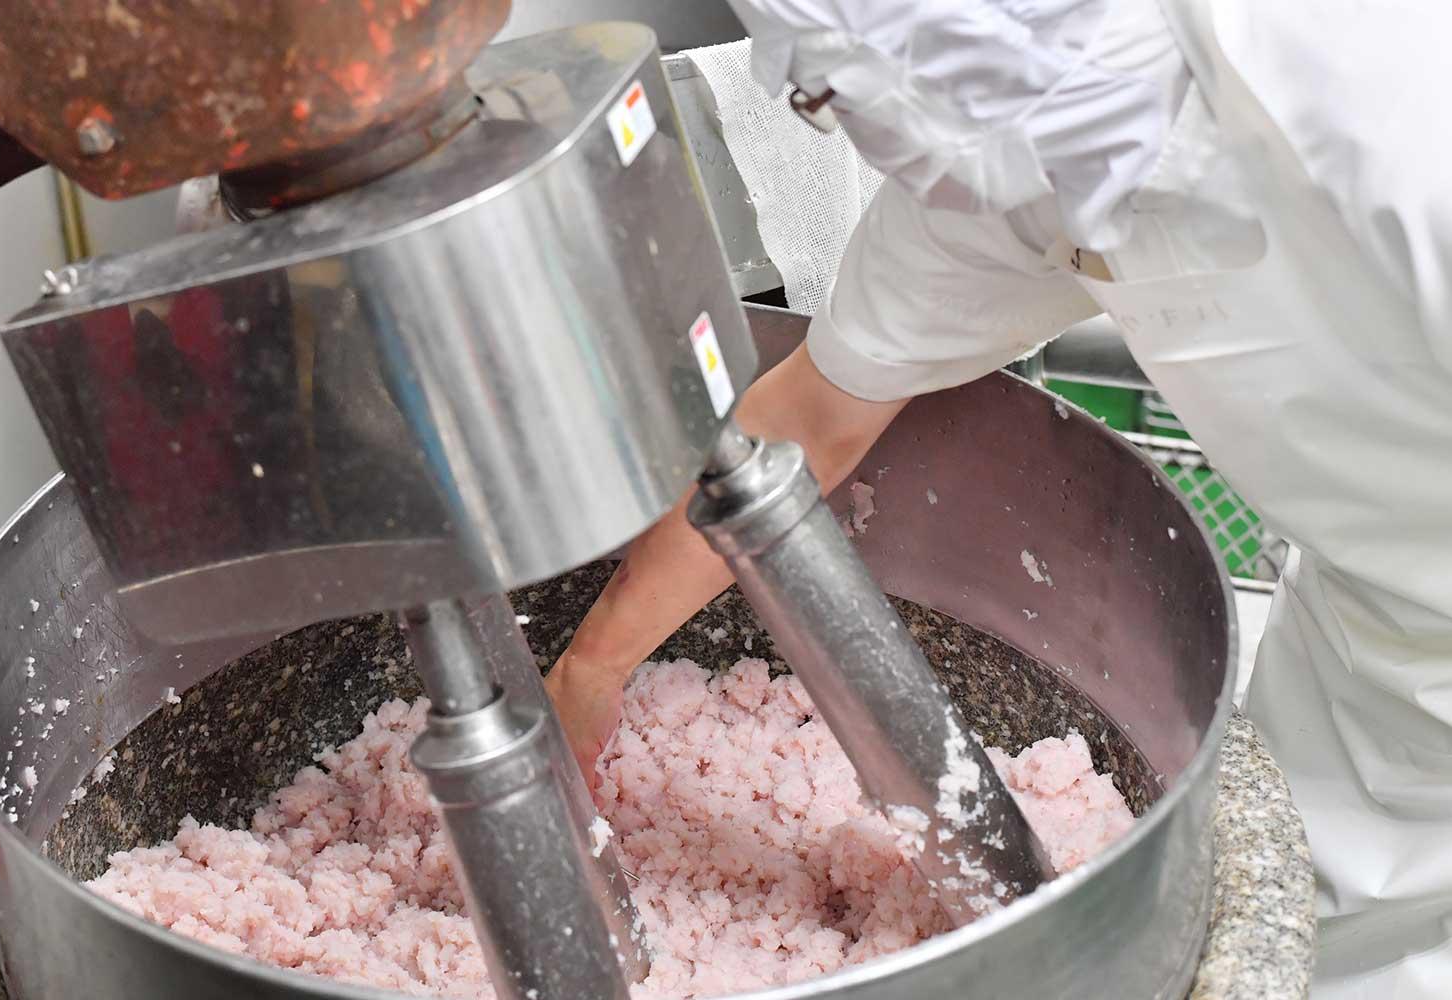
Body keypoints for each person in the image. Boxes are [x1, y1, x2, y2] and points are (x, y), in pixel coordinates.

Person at [546, 1, 1452, 995]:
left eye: (834, 92)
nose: (846, 129)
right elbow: (804, 422)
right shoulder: (1012, 152)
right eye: (820, 94)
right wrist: (592, 668)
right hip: (1368, 627)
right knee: (1314, 928)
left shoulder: (1391, 124)